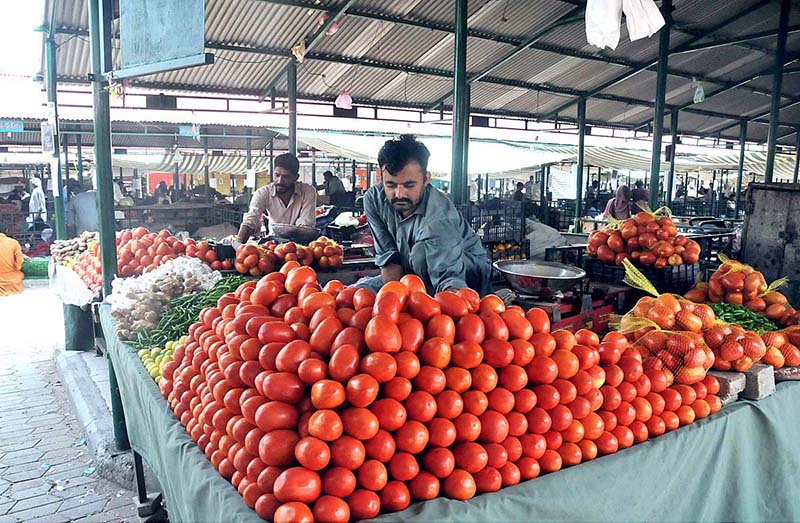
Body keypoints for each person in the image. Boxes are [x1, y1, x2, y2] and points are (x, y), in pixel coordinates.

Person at [359, 135, 490, 295]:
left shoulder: (440, 216)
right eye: (391, 185)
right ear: (382, 178)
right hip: (413, 271)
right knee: (358, 292)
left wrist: (448, 310)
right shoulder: (374, 200)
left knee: (420, 253)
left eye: (409, 185)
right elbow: (389, 258)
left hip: (463, 271)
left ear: (426, 179)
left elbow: (449, 279)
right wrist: (393, 301)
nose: (399, 194)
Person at [238, 153, 316, 242]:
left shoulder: (308, 191)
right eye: (277, 175)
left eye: (286, 177)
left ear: (296, 177)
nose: (280, 181)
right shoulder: (263, 193)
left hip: (299, 244)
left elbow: (306, 226)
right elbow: (251, 218)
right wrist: (239, 245)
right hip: (273, 243)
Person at [0, 226, 24, 296]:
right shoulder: (13, 243)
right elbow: (19, 264)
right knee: (18, 275)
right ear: (7, 231)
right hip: (12, 282)